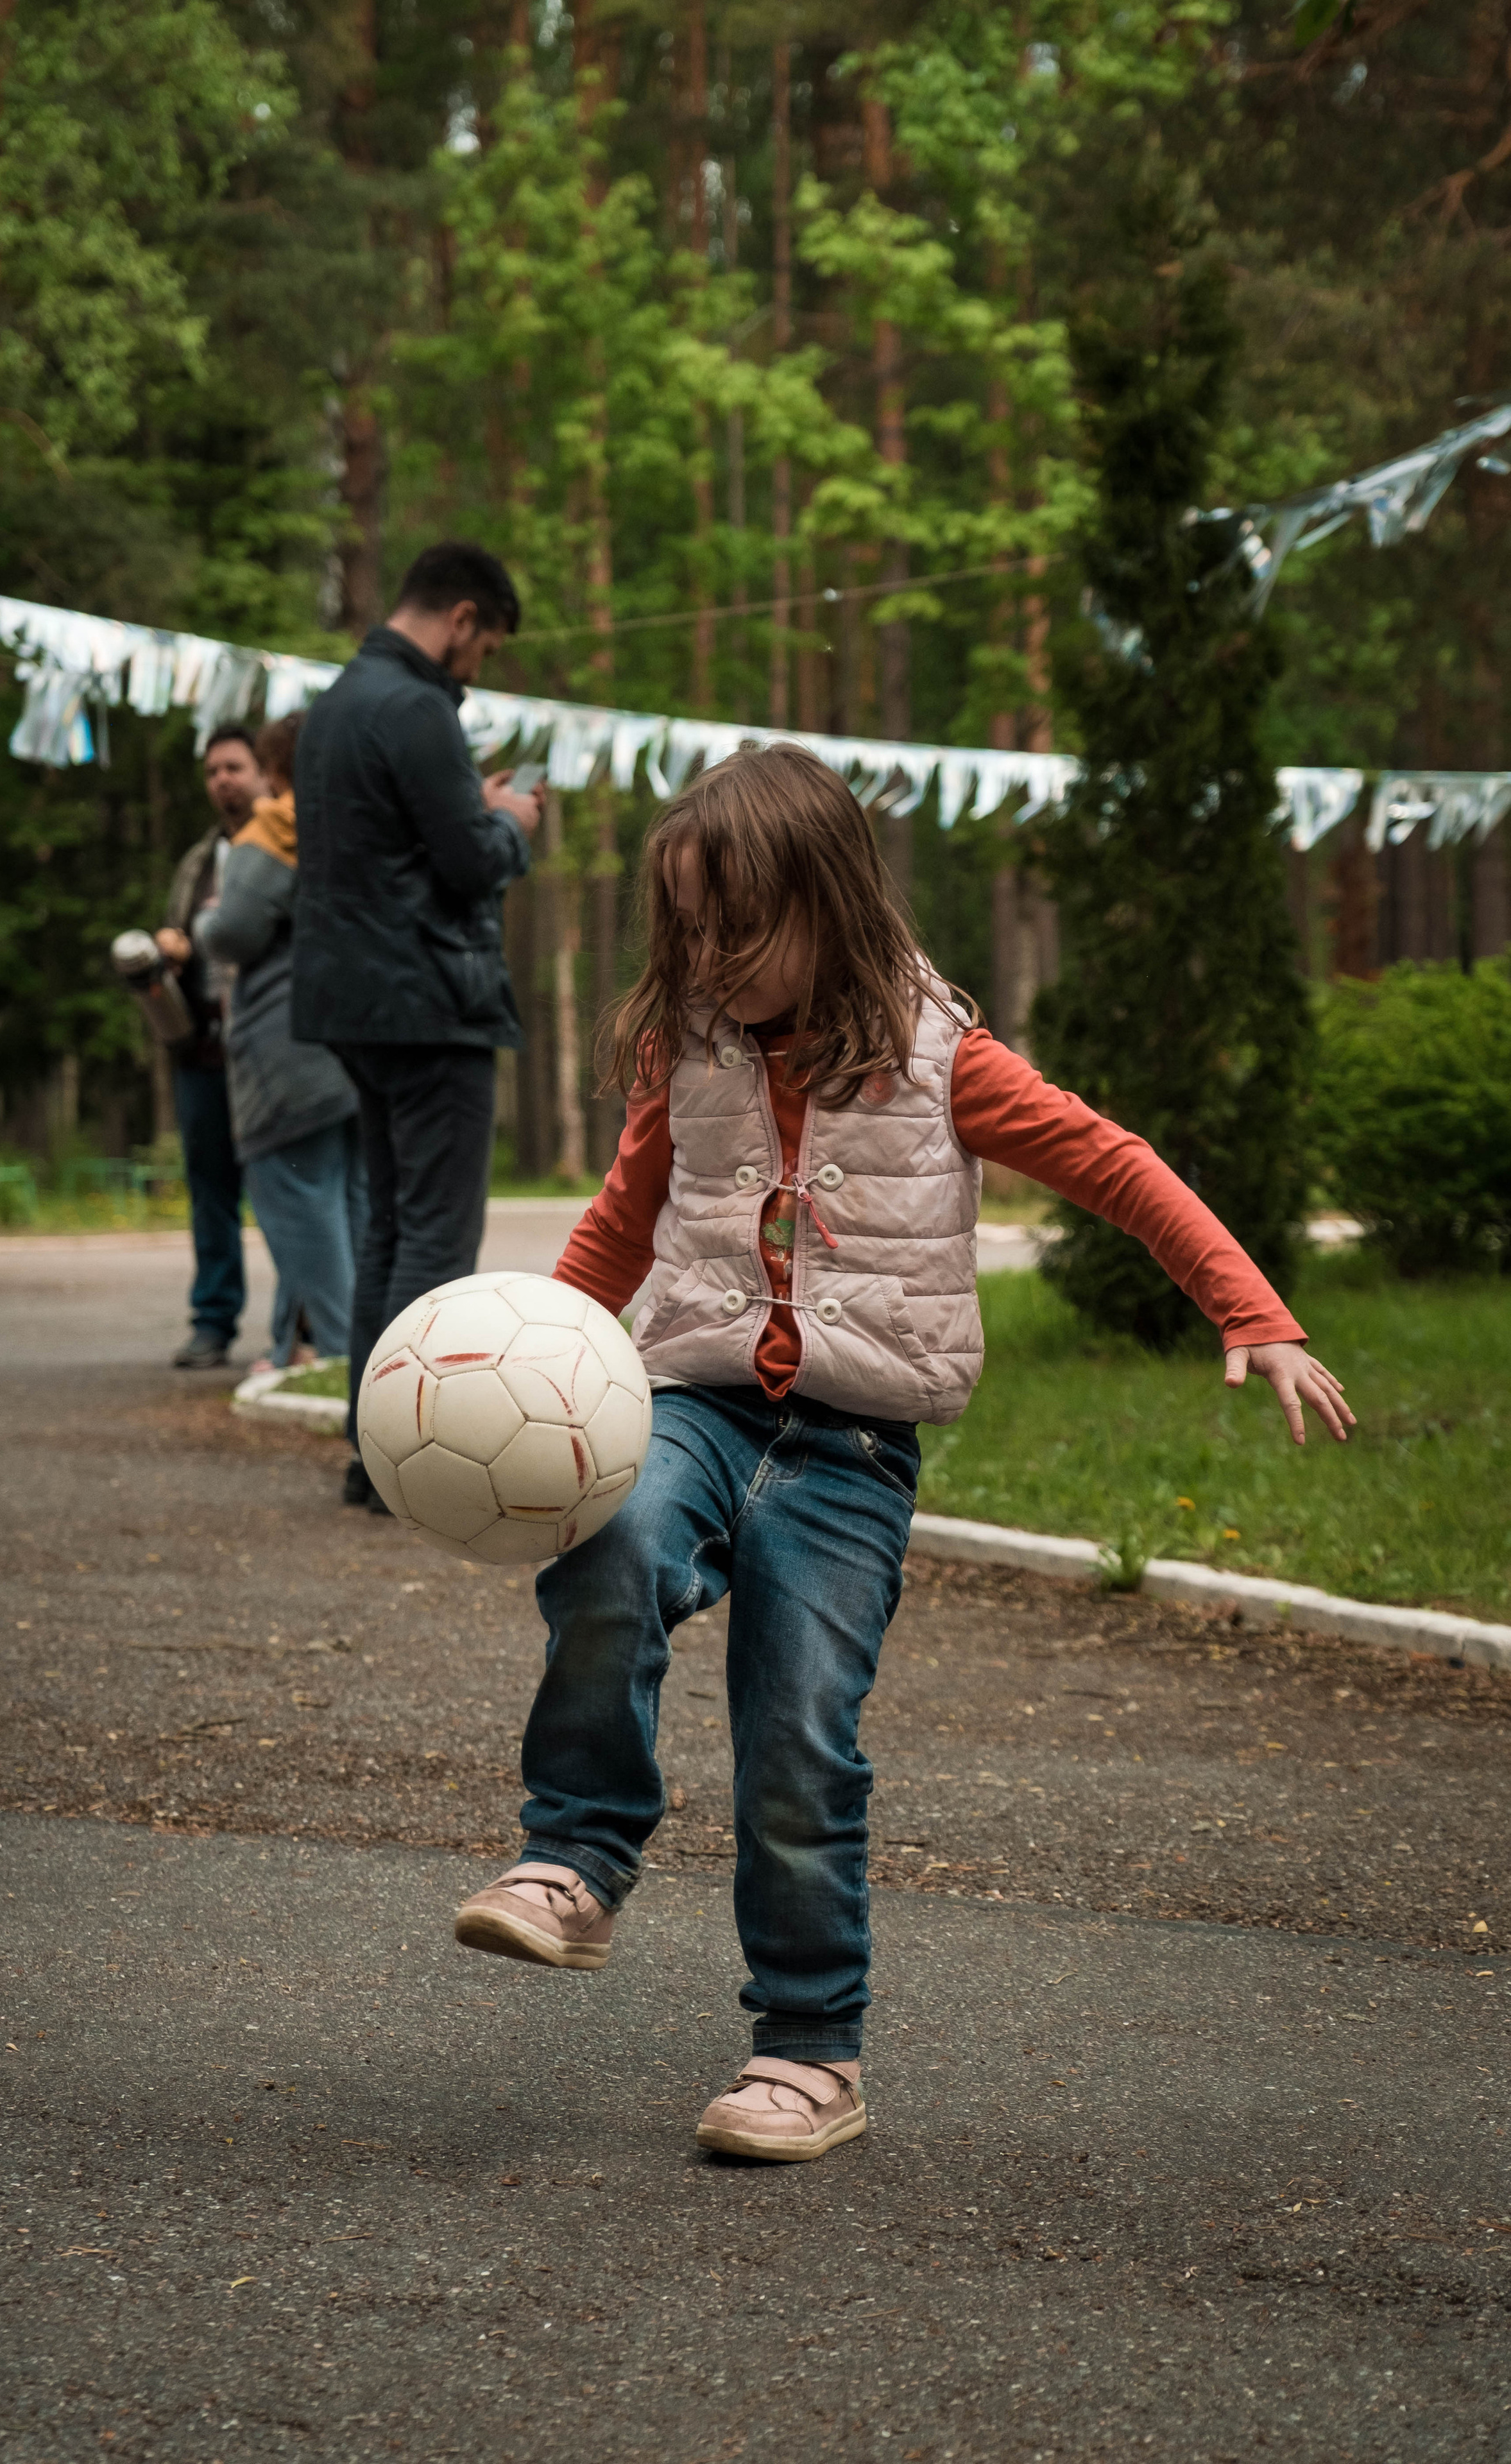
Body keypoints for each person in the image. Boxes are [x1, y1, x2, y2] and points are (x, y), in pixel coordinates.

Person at [451, 742, 1356, 2164]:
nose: (707, 955)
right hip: (687, 1399)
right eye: (684, 927)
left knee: (796, 1740)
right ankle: (576, 1853)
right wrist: (519, 1374)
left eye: (735, 925)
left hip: (850, 1448)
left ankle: (807, 2055)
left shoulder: (946, 1061)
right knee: (612, 1546)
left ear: (828, 902)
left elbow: (1113, 1164)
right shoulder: (680, 1046)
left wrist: (1253, 1310)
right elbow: (623, 1221)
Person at [291, 540, 543, 1508]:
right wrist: (514, 818)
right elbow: (471, 865)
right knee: (437, 1241)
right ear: (464, 619)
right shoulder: (419, 707)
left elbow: (386, 840)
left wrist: (469, 810)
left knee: (389, 1228)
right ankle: (407, 1459)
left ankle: (371, 1449)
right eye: (484, 651)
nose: (477, 673)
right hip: (433, 1005)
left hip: (351, 1005)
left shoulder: (338, 704)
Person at [192, 712, 367, 1369]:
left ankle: (350, 1372)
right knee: (352, 1212)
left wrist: (208, 923)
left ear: (275, 769)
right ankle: (366, 1366)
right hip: (351, 1051)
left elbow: (236, 930)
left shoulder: (275, 826)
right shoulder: (359, 829)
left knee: (300, 1209)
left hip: (284, 1052)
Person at [156, 726, 261, 1369]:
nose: (223, 779)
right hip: (203, 1051)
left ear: (261, 773)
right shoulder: (198, 860)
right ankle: (213, 1322)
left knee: (291, 1189)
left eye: (235, 766)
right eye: (213, 770)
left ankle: (308, 1326)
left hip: (271, 1054)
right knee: (211, 1187)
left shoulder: (287, 846)